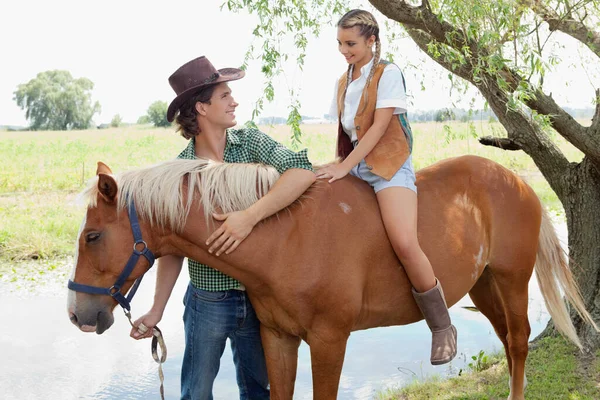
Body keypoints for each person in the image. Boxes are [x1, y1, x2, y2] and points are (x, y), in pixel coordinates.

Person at [129, 56, 315, 399]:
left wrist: (250, 216)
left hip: (259, 295)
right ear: (201, 107)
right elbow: (172, 248)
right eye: (225, 95)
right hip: (207, 300)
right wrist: (157, 309)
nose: (235, 101)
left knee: (258, 390)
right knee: (196, 393)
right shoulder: (181, 173)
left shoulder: (251, 144)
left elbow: (302, 170)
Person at [316, 9, 457, 365]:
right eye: (339, 44)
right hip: (355, 164)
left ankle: (442, 327)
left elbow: (379, 127)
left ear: (371, 40)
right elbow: (348, 132)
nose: (344, 50)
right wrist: (338, 164)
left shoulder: (388, 73)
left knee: (405, 242)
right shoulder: (344, 80)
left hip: (387, 168)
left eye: (350, 43)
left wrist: (347, 166)